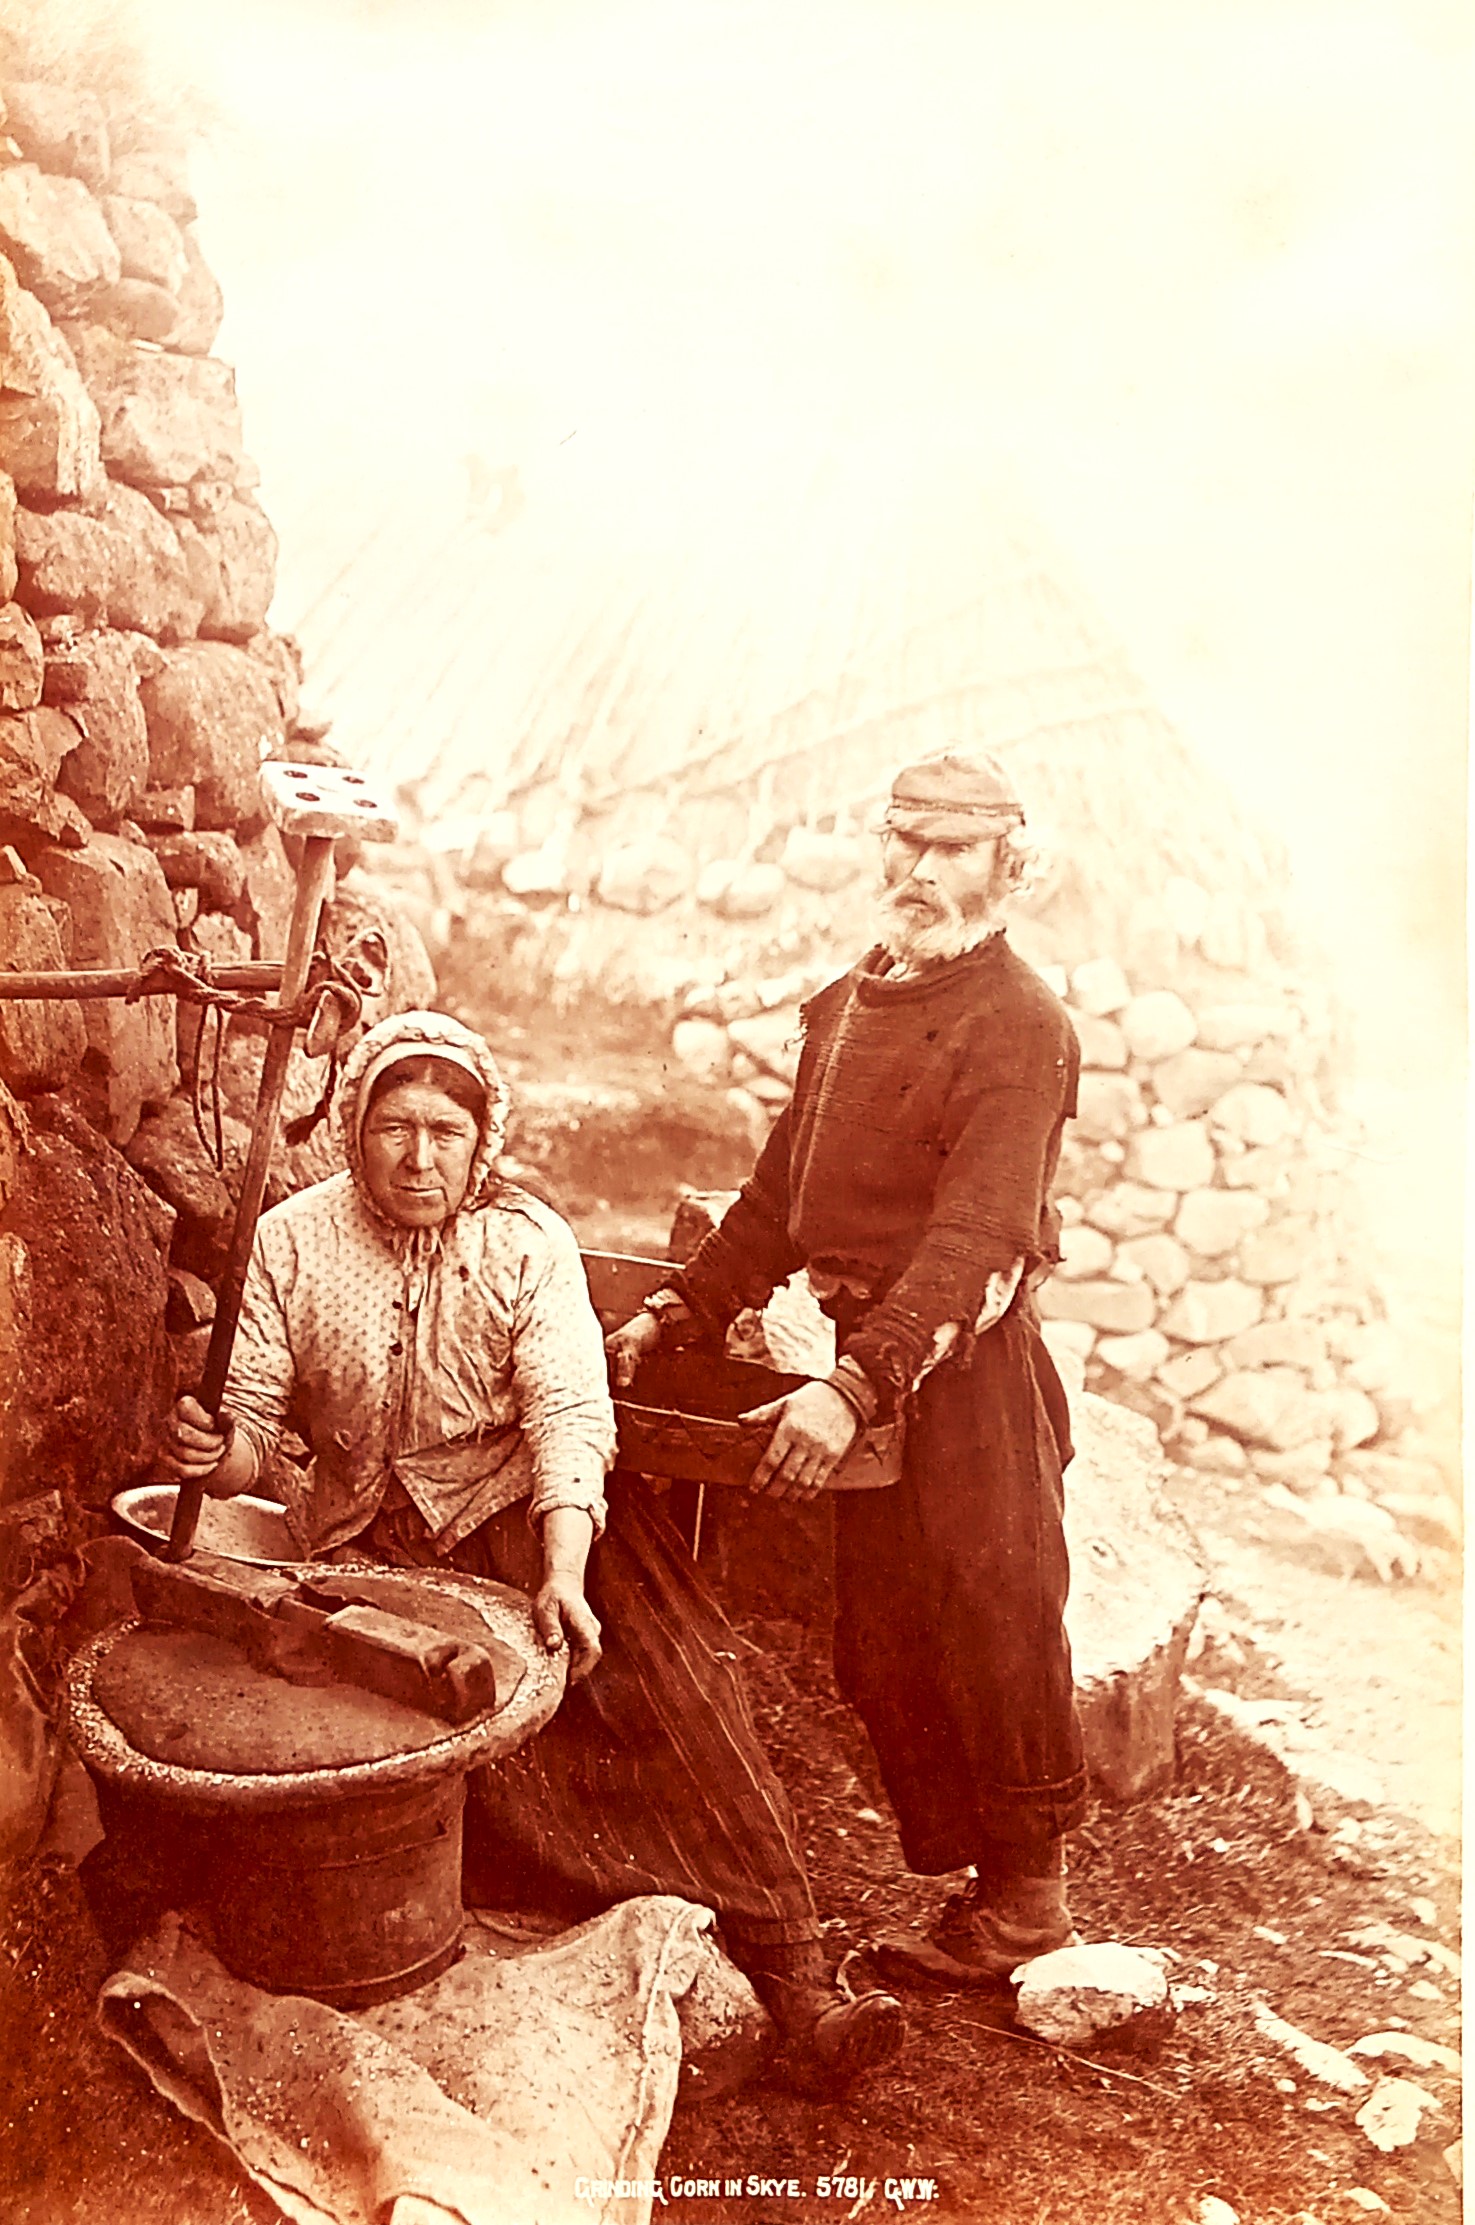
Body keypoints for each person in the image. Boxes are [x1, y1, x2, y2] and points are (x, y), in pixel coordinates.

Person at [160, 1008, 903, 2086]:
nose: (418, 1156)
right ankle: (580, 1905)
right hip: (369, 1540)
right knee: (457, 1743)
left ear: (481, 1139)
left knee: (678, 1696)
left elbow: (567, 1414)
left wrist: (562, 1571)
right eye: (394, 1126)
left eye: (444, 1132)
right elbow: (254, 1429)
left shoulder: (524, 1241)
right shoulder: (292, 1238)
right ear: (356, 1130)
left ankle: (799, 1983)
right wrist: (215, 1446)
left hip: (534, 1513)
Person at [607, 753, 1087, 1985]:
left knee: (995, 1613)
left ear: (1004, 867)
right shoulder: (845, 1004)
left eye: (952, 851)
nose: (920, 872)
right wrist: (680, 1306)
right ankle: (969, 1885)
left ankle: (1029, 1902)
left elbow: (977, 1238)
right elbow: (777, 1200)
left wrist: (854, 1383)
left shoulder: (1021, 1026)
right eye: (903, 843)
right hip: (858, 1359)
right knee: (882, 1641)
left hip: (959, 1371)